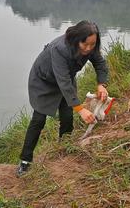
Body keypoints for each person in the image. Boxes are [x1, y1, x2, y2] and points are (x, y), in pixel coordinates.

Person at [17, 20, 109, 177]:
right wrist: (80, 109)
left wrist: (101, 84)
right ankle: (25, 161)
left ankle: (63, 149)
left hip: (65, 79)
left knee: (67, 117)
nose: (88, 49)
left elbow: (100, 63)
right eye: (84, 44)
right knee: (38, 119)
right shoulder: (60, 49)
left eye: (92, 45)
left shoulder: (91, 46)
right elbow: (64, 83)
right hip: (43, 81)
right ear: (76, 39)